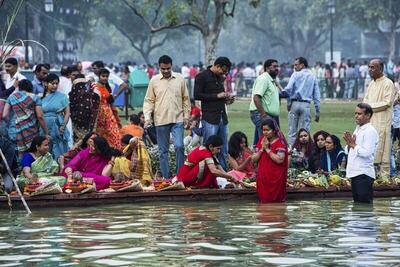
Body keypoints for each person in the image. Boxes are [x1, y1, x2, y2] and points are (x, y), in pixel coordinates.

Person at [143, 55, 190, 178]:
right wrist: (147, 118)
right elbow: (149, 100)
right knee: (163, 151)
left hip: (178, 119)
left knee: (179, 146)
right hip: (161, 120)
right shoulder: (154, 81)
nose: (165, 71)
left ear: (171, 66)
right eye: (163, 69)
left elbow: (186, 99)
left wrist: (186, 117)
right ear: (159, 67)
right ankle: (167, 177)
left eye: (168, 68)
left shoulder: (180, 79)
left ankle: (180, 176)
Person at [194, 57, 234, 170]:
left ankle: (224, 175)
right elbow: (197, 95)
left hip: (222, 117)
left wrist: (227, 99)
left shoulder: (219, 78)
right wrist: (217, 96)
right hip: (210, 117)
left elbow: (220, 97)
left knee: (223, 149)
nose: (225, 74)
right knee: (209, 149)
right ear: (217, 66)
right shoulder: (201, 76)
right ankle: (208, 173)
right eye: (224, 71)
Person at [363, 59, 396, 176]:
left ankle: (384, 181)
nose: (370, 70)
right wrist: (365, 108)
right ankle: (371, 177)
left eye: (373, 67)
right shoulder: (371, 84)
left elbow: (387, 102)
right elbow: (364, 101)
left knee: (383, 153)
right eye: (369, 67)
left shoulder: (388, 83)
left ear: (381, 69)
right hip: (369, 123)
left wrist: (368, 107)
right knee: (369, 150)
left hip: (382, 122)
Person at [2, 79, 48, 157]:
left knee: (18, 154)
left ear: (19, 87)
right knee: (32, 154)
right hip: (31, 131)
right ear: (30, 87)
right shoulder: (35, 98)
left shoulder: (12, 97)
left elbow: (4, 115)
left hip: (15, 131)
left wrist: (12, 124)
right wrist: (46, 132)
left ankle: (21, 168)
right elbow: (40, 116)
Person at [344, 103, 379, 203]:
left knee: (364, 208)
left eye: (359, 114)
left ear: (368, 116)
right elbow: (349, 149)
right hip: (355, 173)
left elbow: (367, 153)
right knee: (358, 206)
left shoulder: (370, 131)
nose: (356, 116)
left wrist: (353, 145)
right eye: (355, 113)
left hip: (364, 174)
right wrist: (350, 145)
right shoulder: (358, 129)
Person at [283, 57, 321, 146]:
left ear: (302, 65)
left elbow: (288, 90)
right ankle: (304, 152)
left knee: (292, 131)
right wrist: (317, 112)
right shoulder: (312, 76)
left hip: (294, 104)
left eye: (296, 64)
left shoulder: (295, 75)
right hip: (306, 105)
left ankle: (291, 151)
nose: (294, 66)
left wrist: (288, 103)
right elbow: (316, 96)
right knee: (305, 132)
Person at [251, 118, 288, 203]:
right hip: (263, 178)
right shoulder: (261, 141)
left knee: (276, 203)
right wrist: (261, 150)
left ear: (274, 130)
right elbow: (253, 159)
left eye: (267, 130)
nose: (265, 132)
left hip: (276, 178)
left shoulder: (280, 142)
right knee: (263, 203)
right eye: (263, 130)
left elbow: (280, 160)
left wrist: (267, 150)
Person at [249, 59, 281, 146]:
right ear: (267, 68)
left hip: (268, 115)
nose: (277, 68)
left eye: (277, 66)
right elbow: (256, 97)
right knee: (266, 142)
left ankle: (256, 156)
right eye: (274, 66)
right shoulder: (263, 79)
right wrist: (263, 115)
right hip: (262, 114)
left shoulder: (271, 80)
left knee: (260, 142)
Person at [41, 73, 71, 160]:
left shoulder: (62, 97)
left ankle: (59, 166)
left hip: (58, 125)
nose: (55, 85)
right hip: (44, 126)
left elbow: (67, 113)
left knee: (58, 146)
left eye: (56, 83)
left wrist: (62, 126)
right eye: (52, 83)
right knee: (45, 145)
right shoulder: (40, 97)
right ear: (46, 84)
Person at [93, 68, 122, 150]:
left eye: (107, 76)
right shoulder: (95, 87)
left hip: (108, 113)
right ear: (98, 76)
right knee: (102, 134)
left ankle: (115, 150)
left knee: (113, 132)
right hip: (100, 114)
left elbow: (109, 101)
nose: (105, 78)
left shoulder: (106, 87)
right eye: (103, 76)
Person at [69, 76, 100, 143]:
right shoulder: (73, 93)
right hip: (76, 119)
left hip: (87, 118)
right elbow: (71, 105)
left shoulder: (93, 92)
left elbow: (95, 105)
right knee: (76, 139)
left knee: (85, 139)